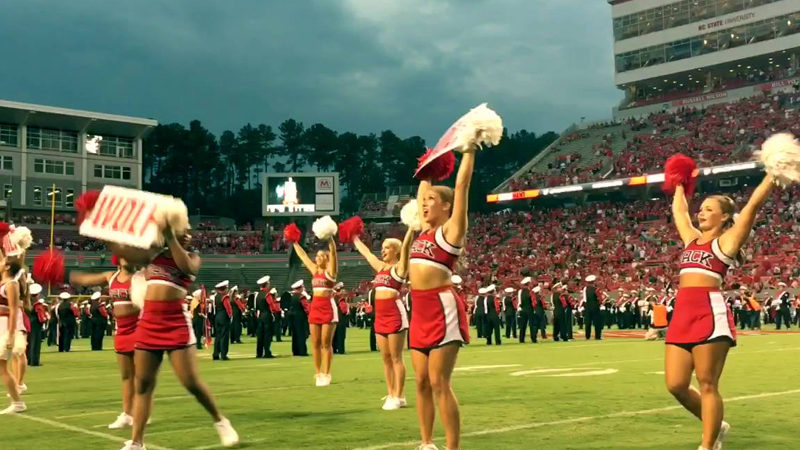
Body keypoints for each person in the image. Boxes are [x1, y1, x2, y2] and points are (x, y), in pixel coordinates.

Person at [665, 174, 775, 450]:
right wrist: (679, 182)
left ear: (724, 216)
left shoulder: (726, 241)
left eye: (708, 209)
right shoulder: (691, 239)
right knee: (676, 384)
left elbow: (752, 206)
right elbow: (680, 212)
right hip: (682, 313)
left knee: (707, 384)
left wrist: (772, 175)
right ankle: (716, 423)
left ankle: (708, 444)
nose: (701, 213)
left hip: (708, 312)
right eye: (700, 208)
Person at [119, 225, 238, 450]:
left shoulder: (192, 257)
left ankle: (221, 421)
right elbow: (126, 254)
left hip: (175, 323)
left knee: (190, 382)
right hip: (148, 322)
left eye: (190, 232)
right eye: (184, 230)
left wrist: (170, 236)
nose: (188, 235)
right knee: (142, 384)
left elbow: (187, 267)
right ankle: (136, 443)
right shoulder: (152, 255)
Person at [408, 146, 475, 450]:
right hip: (419, 310)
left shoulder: (451, 231)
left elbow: (462, 186)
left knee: (439, 382)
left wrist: (469, 151)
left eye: (432, 200)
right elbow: (423, 187)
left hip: (441, 307)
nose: (424, 204)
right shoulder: (423, 231)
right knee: (421, 381)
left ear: (447, 206)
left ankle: (452, 447)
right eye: (423, 201)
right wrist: (429, 169)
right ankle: (426, 443)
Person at [70, 256, 140, 429]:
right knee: (126, 376)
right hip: (122, 330)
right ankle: (127, 414)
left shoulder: (141, 278)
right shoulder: (111, 276)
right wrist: (70, 276)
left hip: (140, 329)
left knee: (141, 377)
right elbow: (88, 279)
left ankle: (140, 413)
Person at [351, 226, 414, 410]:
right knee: (386, 358)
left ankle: (399, 396)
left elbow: (407, 247)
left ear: (395, 250)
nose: (383, 250)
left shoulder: (399, 268)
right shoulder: (380, 267)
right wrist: (354, 237)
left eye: (387, 248)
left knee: (396, 358)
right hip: (380, 316)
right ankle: (391, 393)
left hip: (395, 314)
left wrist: (411, 228)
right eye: (383, 248)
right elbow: (366, 253)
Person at [291, 231, 339, 386]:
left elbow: (333, 252)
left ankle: (327, 373)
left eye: (320, 256)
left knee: (326, 343)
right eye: (316, 256)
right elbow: (303, 256)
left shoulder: (330, 272)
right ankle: (318, 373)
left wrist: (330, 239)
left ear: (326, 259)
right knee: (315, 343)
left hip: (328, 307)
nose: (316, 258)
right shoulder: (314, 270)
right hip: (315, 307)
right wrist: (294, 242)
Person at [0, 237, 27, 414]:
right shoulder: (3, 282)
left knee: (2, 367)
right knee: (1, 367)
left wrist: (10, 335)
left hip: (5, 327)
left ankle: (18, 401)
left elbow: (13, 310)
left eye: (3, 261)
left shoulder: (11, 284)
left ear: (8, 267)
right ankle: (17, 401)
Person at [253, 276, 276, 358]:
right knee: (267, 335)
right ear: (267, 284)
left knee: (260, 335)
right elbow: (272, 305)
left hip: (260, 316)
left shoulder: (257, 295)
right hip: (267, 315)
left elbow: (256, 306)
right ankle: (267, 352)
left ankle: (259, 353)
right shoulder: (267, 294)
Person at [212, 281, 232, 361]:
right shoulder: (225, 297)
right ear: (225, 288)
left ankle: (216, 354)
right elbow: (228, 308)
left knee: (218, 336)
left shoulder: (216, 296)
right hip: (224, 317)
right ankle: (223, 355)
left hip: (217, 316)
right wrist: (230, 316)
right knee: (224, 336)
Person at [27, 283, 46, 367]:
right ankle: (34, 361)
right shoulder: (37, 304)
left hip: (28, 323)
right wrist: (45, 320)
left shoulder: (27, 302)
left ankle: (29, 360)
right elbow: (41, 317)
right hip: (36, 324)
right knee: (36, 342)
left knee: (29, 342)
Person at [289, 280, 309, 357]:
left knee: (295, 334)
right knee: (301, 334)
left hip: (293, 317)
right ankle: (302, 351)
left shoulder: (292, 296)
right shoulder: (302, 297)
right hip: (300, 317)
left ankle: (295, 351)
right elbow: (306, 307)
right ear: (300, 288)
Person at [582, 275, 603, 340]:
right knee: (597, 322)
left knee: (588, 322)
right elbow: (600, 299)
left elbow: (584, 299)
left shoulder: (585, 289)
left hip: (587, 307)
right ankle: (597, 336)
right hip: (595, 307)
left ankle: (587, 336)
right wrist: (598, 305)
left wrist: (585, 307)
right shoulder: (597, 289)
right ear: (593, 282)